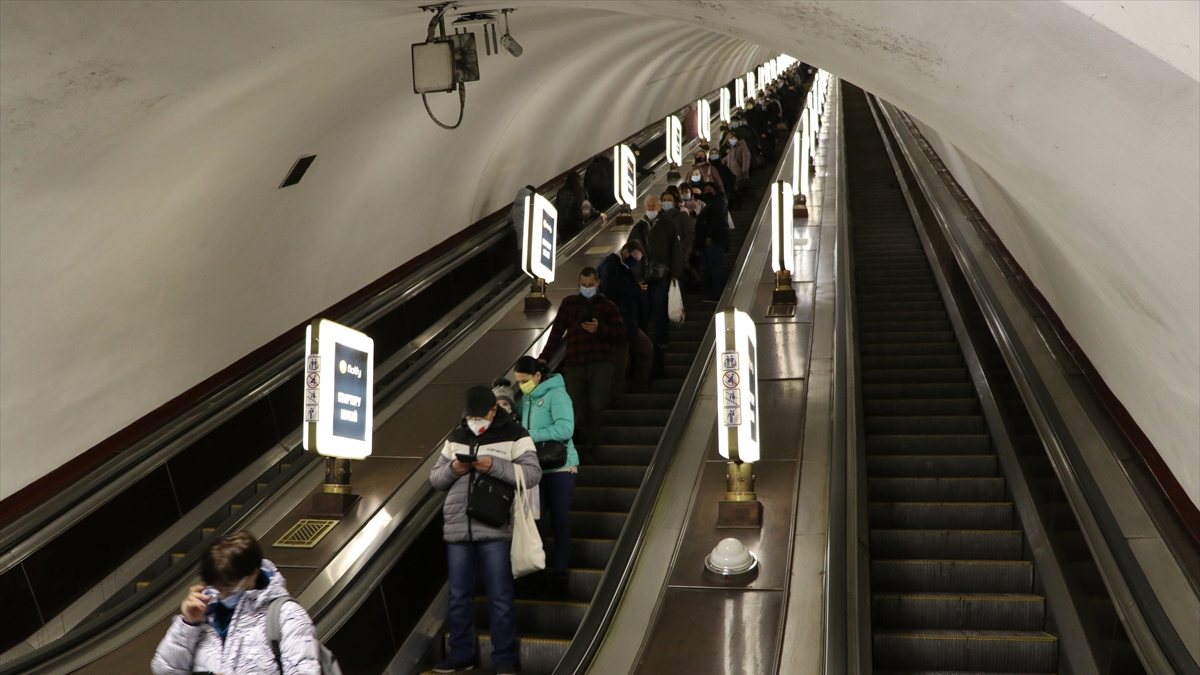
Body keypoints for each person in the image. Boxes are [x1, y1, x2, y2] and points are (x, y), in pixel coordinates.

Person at [429, 386, 541, 674]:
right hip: (458, 528)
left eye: (480, 415)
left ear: (494, 411)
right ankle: (461, 656)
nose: (474, 421)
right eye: (470, 417)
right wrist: (454, 469)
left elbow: (532, 473)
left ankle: (504, 660)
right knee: (458, 597)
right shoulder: (457, 436)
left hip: (495, 526)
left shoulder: (515, 434)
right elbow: (436, 478)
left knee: (500, 596)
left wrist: (494, 466)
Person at [152, 532, 320, 675]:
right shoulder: (205, 611)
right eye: (216, 586)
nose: (221, 594)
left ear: (253, 573)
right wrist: (188, 624)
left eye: (229, 587)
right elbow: (165, 670)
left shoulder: (286, 615)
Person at [538, 268, 625, 452]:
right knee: (569, 405)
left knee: (596, 405)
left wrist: (599, 329)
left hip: (601, 362)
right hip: (575, 362)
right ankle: (571, 447)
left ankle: (591, 448)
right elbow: (556, 332)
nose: (586, 288)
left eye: (590, 285)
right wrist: (544, 357)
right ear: (578, 283)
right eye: (583, 285)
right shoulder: (569, 303)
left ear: (598, 283)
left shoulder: (608, 306)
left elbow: (620, 335)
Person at [513, 356, 578, 598]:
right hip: (535, 469)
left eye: (525, 381)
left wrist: (531, 434)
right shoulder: (526, 400)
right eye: (519, 382)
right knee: (536, 522)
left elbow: (566, 429)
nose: (522, 386)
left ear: (538, 376)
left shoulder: (557, 395)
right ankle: (538, 571)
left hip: (560, 468)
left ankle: (560, 572)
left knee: (559, 519)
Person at [627, 196, 684, 376]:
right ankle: (646, 344)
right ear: (644, 207)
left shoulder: (667, 225)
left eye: (654, 205)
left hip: (661, 277)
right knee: (643, 312)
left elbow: (676, 250)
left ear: (659, 207)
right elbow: (628, 251)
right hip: (642, 279)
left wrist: (674, 273)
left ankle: (661, 343)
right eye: (648, 205)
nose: (651, 207)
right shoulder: (638, 227)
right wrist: (633, 276)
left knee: (660, 310)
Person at [599, 241, 654, 395]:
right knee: (620, 364)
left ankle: (637, 387)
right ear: (625, 252)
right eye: (634, 258)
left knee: (645, 349)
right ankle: (617, 397)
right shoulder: (610, 265)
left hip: (628, 323)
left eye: (637, 260)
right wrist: (636, 289)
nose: (635, 263)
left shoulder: (622, 267)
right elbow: (611, 290)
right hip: (618, 324)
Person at [696, 182, 731, 301]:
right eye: (705, 190)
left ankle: (716, 294)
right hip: (712, 240)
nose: (707, 191)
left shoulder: (719, 201)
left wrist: (709, 235)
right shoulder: (712, 202)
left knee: (715, 267)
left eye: (709, 189)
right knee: (711, 267)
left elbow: (717, 218)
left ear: (715, 189)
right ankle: (712, 294)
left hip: (715, 240)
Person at [555, 171, 587, 241]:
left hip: (562, 226)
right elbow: (584, 207)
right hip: (575, 225)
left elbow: (557, 207)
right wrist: (598, 213)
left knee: (567, 244)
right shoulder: (578, 192)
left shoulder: (560, 192)